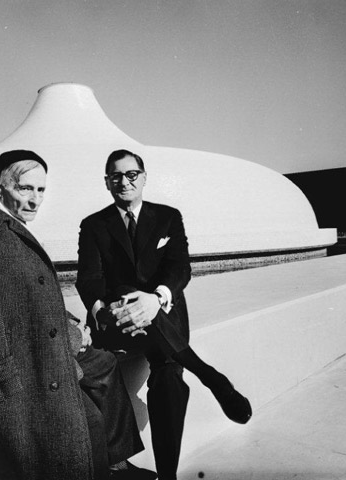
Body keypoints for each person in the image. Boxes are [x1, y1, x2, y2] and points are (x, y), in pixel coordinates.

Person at [0, 150, 155, 480]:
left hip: (47, 360)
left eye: (41, 190)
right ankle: (115, 468)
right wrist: (9, 401)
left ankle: (117, 466)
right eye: (25, 189)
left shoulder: (9, 230)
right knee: (83, 430)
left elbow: (34, 295)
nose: (35, 200)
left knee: (96, 405)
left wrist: (70, 325)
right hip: (30, 377)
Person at [76, 149, 252, 480]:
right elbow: (88, 279)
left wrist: (156, 298)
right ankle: (211, 377)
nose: (124, 182)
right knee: (131, 301)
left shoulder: (168, 217)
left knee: (169, 378)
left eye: (131, 175)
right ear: (107, 182)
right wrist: (102, 310)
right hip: (116, 319)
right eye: (116, 176)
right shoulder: (94, 225)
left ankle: (167, 476)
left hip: (162, 315)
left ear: (144, 178)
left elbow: (179, 268)